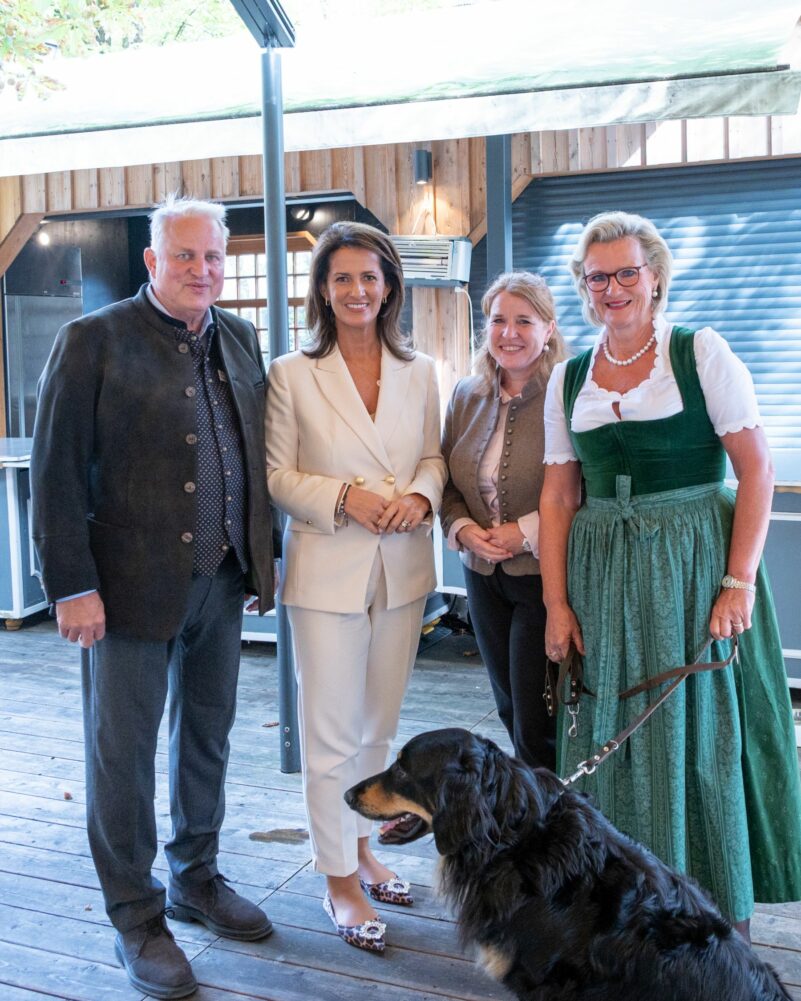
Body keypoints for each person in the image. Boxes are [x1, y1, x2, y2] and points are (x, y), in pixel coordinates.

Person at [31, 195, 275, 1000]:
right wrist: (72, 586)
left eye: (213, 257)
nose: (202, 270)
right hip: (124, 589)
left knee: (207, 736)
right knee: (124, 754)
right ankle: (136, 915)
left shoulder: (238, 336)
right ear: (152, 260)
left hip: (221, 580)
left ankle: (195, 877)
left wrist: (260, 562)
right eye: (185, 256)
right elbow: (56, 473)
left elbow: (250, 451)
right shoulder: (92, 340)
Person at [539, 210, 801, 941]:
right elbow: (558, 496)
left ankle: (716, 923)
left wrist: (737, 581)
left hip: (691, 567)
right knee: (609, 727)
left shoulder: (698, 352)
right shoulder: (567, 378)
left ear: (654, 276)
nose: (612, 288)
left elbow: (756, 469)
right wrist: (556, 603)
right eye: (597, 277)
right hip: (601, 575)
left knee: (700, 733)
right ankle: (619, 916)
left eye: (626, 272)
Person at [265, 221, 446, 952]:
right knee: (330, 731)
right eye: (341, 277)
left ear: (390, 285)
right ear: (321, 289)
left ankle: (364, 847)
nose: (356, 290)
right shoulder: (292, 373)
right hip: (327, 569)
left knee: (378, 727)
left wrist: (423, 497)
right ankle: (338, 878)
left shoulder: (420, 369)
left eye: (369, 276)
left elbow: (433, 457)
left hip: (401, 565)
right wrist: (343, 497)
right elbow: (278, 475)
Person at [440, 272, 568, 769]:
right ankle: (530, 805)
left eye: (524, 321)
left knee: (538, 719)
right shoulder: (466, 395)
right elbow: (446, 481)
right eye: (498, 321)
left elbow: (584, 488)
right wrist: (463, 529)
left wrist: (525, 533)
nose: (508, 333)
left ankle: (551, 810)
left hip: (543, 576)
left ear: (548, 329)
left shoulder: (569, 392)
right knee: (510, 707)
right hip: (481, 576)